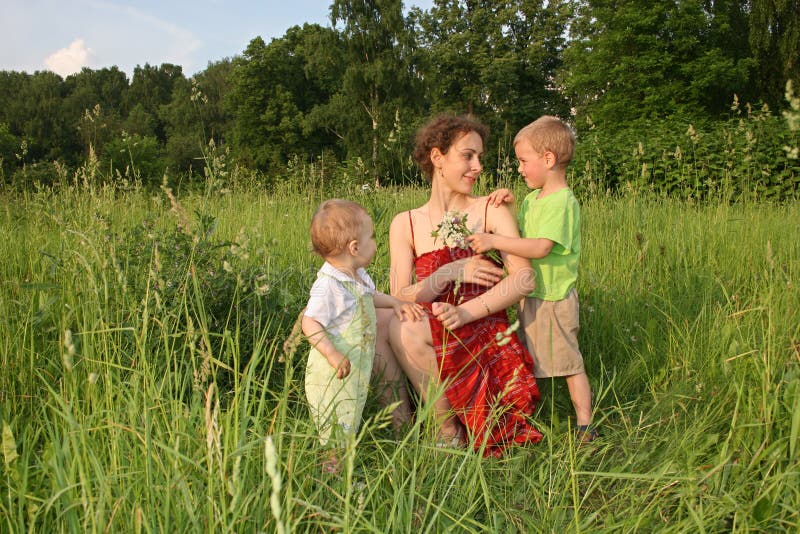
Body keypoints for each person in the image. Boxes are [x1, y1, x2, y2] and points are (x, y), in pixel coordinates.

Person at [388, 114, 542, 457]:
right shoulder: (405, 223)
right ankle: (418, 428)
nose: (478, 167)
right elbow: (399, 294)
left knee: (406, 329)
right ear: (437, 157)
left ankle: (449, 429)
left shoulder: (491, 209)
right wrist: (449, 271)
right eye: (467, 156)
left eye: (480, 157)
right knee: (389, 320)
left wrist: (465, 312)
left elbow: (523, 279)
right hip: (433, 326)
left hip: (480, 328)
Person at [467, 115, 597, 442]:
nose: (520, 169)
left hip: (555, 298)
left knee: (568, 363)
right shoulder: (532, 199)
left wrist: (494, 240)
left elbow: (540, 247)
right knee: (529, 355)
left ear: (548, 159)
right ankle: (525, 413)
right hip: (532, 294)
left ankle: (585, 424)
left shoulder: (562, 201)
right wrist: (508, 207)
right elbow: (521, 238)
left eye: (524, 161)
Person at [302, 199, 424, 473]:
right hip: (332, 374)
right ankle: (332, 478)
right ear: (355, 247)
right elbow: (310, 321)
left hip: (353, 371)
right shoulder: (329, 284)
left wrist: (395, 303)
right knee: (337, 429)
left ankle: (341, 472)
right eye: (372, 238)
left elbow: (369, 297)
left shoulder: (356, 276)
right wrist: (331, 354)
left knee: (350, 420)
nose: (375, 244)